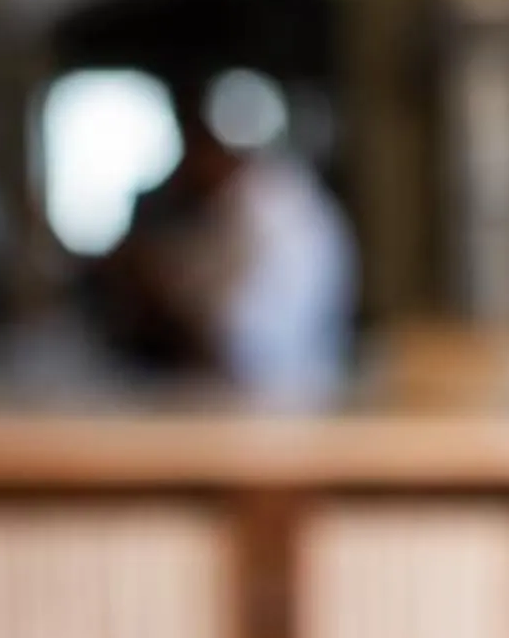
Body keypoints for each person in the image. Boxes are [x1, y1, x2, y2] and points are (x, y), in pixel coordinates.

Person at [97, 78, 355, 404]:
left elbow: (240, 337)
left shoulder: (266, 207)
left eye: (191, 152)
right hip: (276, 391)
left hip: (278, 399)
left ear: (213, 148)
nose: (183, 170)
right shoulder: (260, 198)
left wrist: (161, 284)